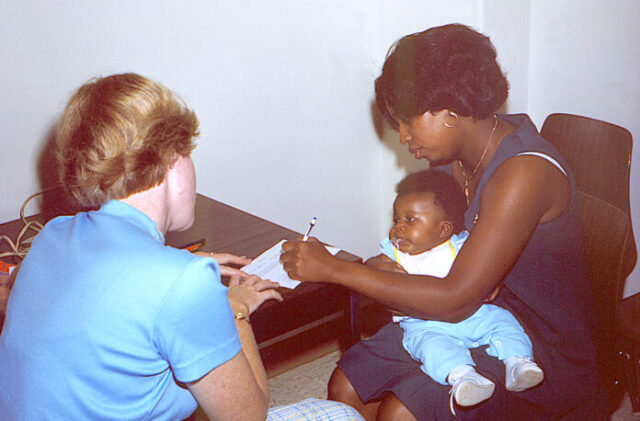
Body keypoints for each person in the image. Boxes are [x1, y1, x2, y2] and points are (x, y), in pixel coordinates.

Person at [280, 23, 604, 419]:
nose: (401, 136)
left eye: (407, 121)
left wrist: (335, 269)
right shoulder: (459, 162)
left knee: (400, 412)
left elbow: (454, 299)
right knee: (347, 385)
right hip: (472, 318)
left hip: (533, 350)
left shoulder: (523, 174)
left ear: (450, 113)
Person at [0, 73, 363, 421]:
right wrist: (232, 312)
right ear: (170, 158)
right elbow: (248, 415)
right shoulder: (182, 283)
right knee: (341, 415)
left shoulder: (53, 236)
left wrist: (176, 265)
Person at [369, 169, 543, 414]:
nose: (399, 228)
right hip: (425, 323)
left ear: (443, 230)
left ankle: (518, 362)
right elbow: (372, 264)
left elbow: (486, 261)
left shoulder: (459, 244)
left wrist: (491, 279)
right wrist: (382, 267)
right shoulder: (396, 251)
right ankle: (463, 377)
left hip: (471, 313)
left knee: (503, 321)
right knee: (431, 348)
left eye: (410, 220)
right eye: (396, 220)